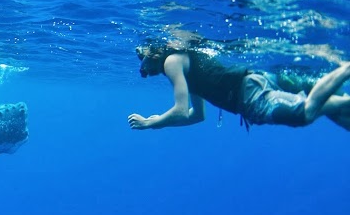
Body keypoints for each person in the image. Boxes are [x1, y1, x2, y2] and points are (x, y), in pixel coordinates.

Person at [128, 42, 350, 132]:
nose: (143, 68)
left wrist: (151, 122)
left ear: (153, 52)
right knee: (339, 114)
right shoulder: (186, 70)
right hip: (253, 82)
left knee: (305, 113)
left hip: (250, 96)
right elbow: (196, 116)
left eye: (141, 58)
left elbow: (179, 110)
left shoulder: (171, 61)